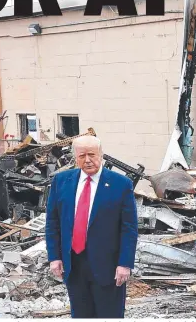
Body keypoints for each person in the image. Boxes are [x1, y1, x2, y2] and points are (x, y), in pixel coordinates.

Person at [45, 135, 138, 318]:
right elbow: (53, 222)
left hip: (108, 268)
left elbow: (129, 228)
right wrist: (54, 257)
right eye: (81, 156)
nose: (87, 160)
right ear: (75, 157)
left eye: (92, 155)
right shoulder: (61, 181)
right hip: (74, 265)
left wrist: (125, 264)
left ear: (101, 155)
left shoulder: (121, 184)